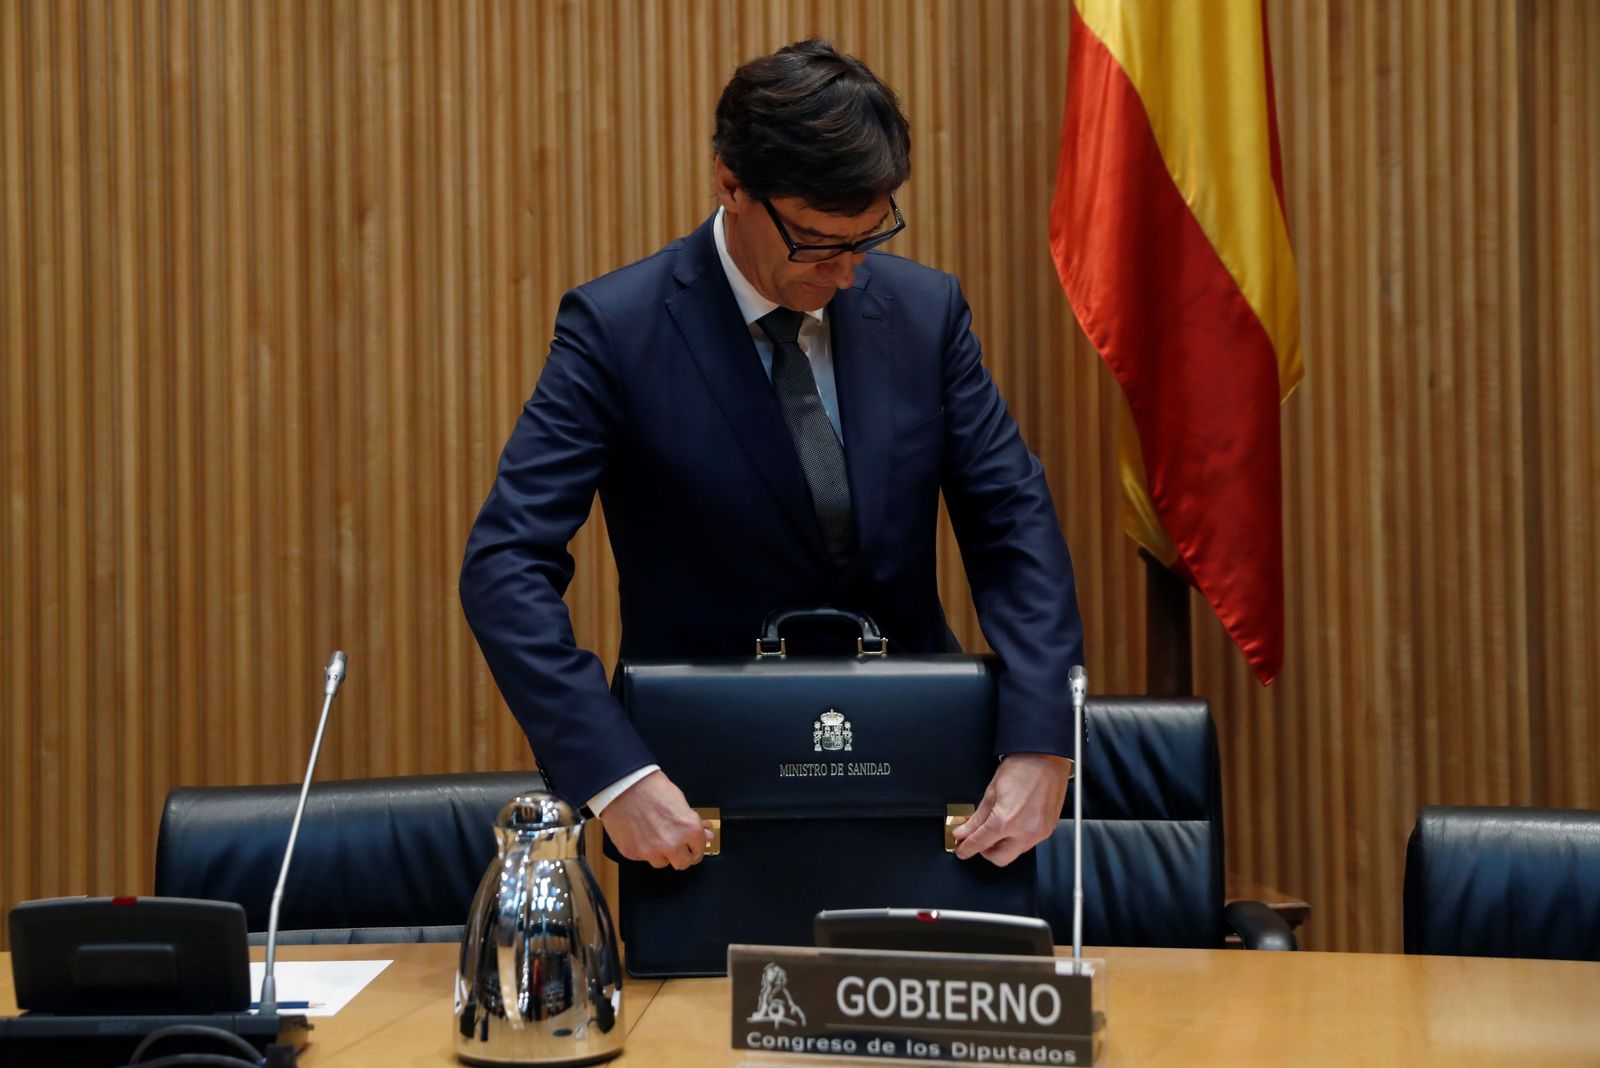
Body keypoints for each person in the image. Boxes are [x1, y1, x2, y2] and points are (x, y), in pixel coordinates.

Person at [460, 39, 1083, 876]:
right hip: (700, 797)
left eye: (869, 237)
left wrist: (1043, 735)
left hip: (917, 768)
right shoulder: (619, 330)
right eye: (818, 243)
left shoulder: (924, 314)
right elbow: (506, 564)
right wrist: (613, 773)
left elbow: (1013, 524)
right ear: (731, 184)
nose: (849, 274)